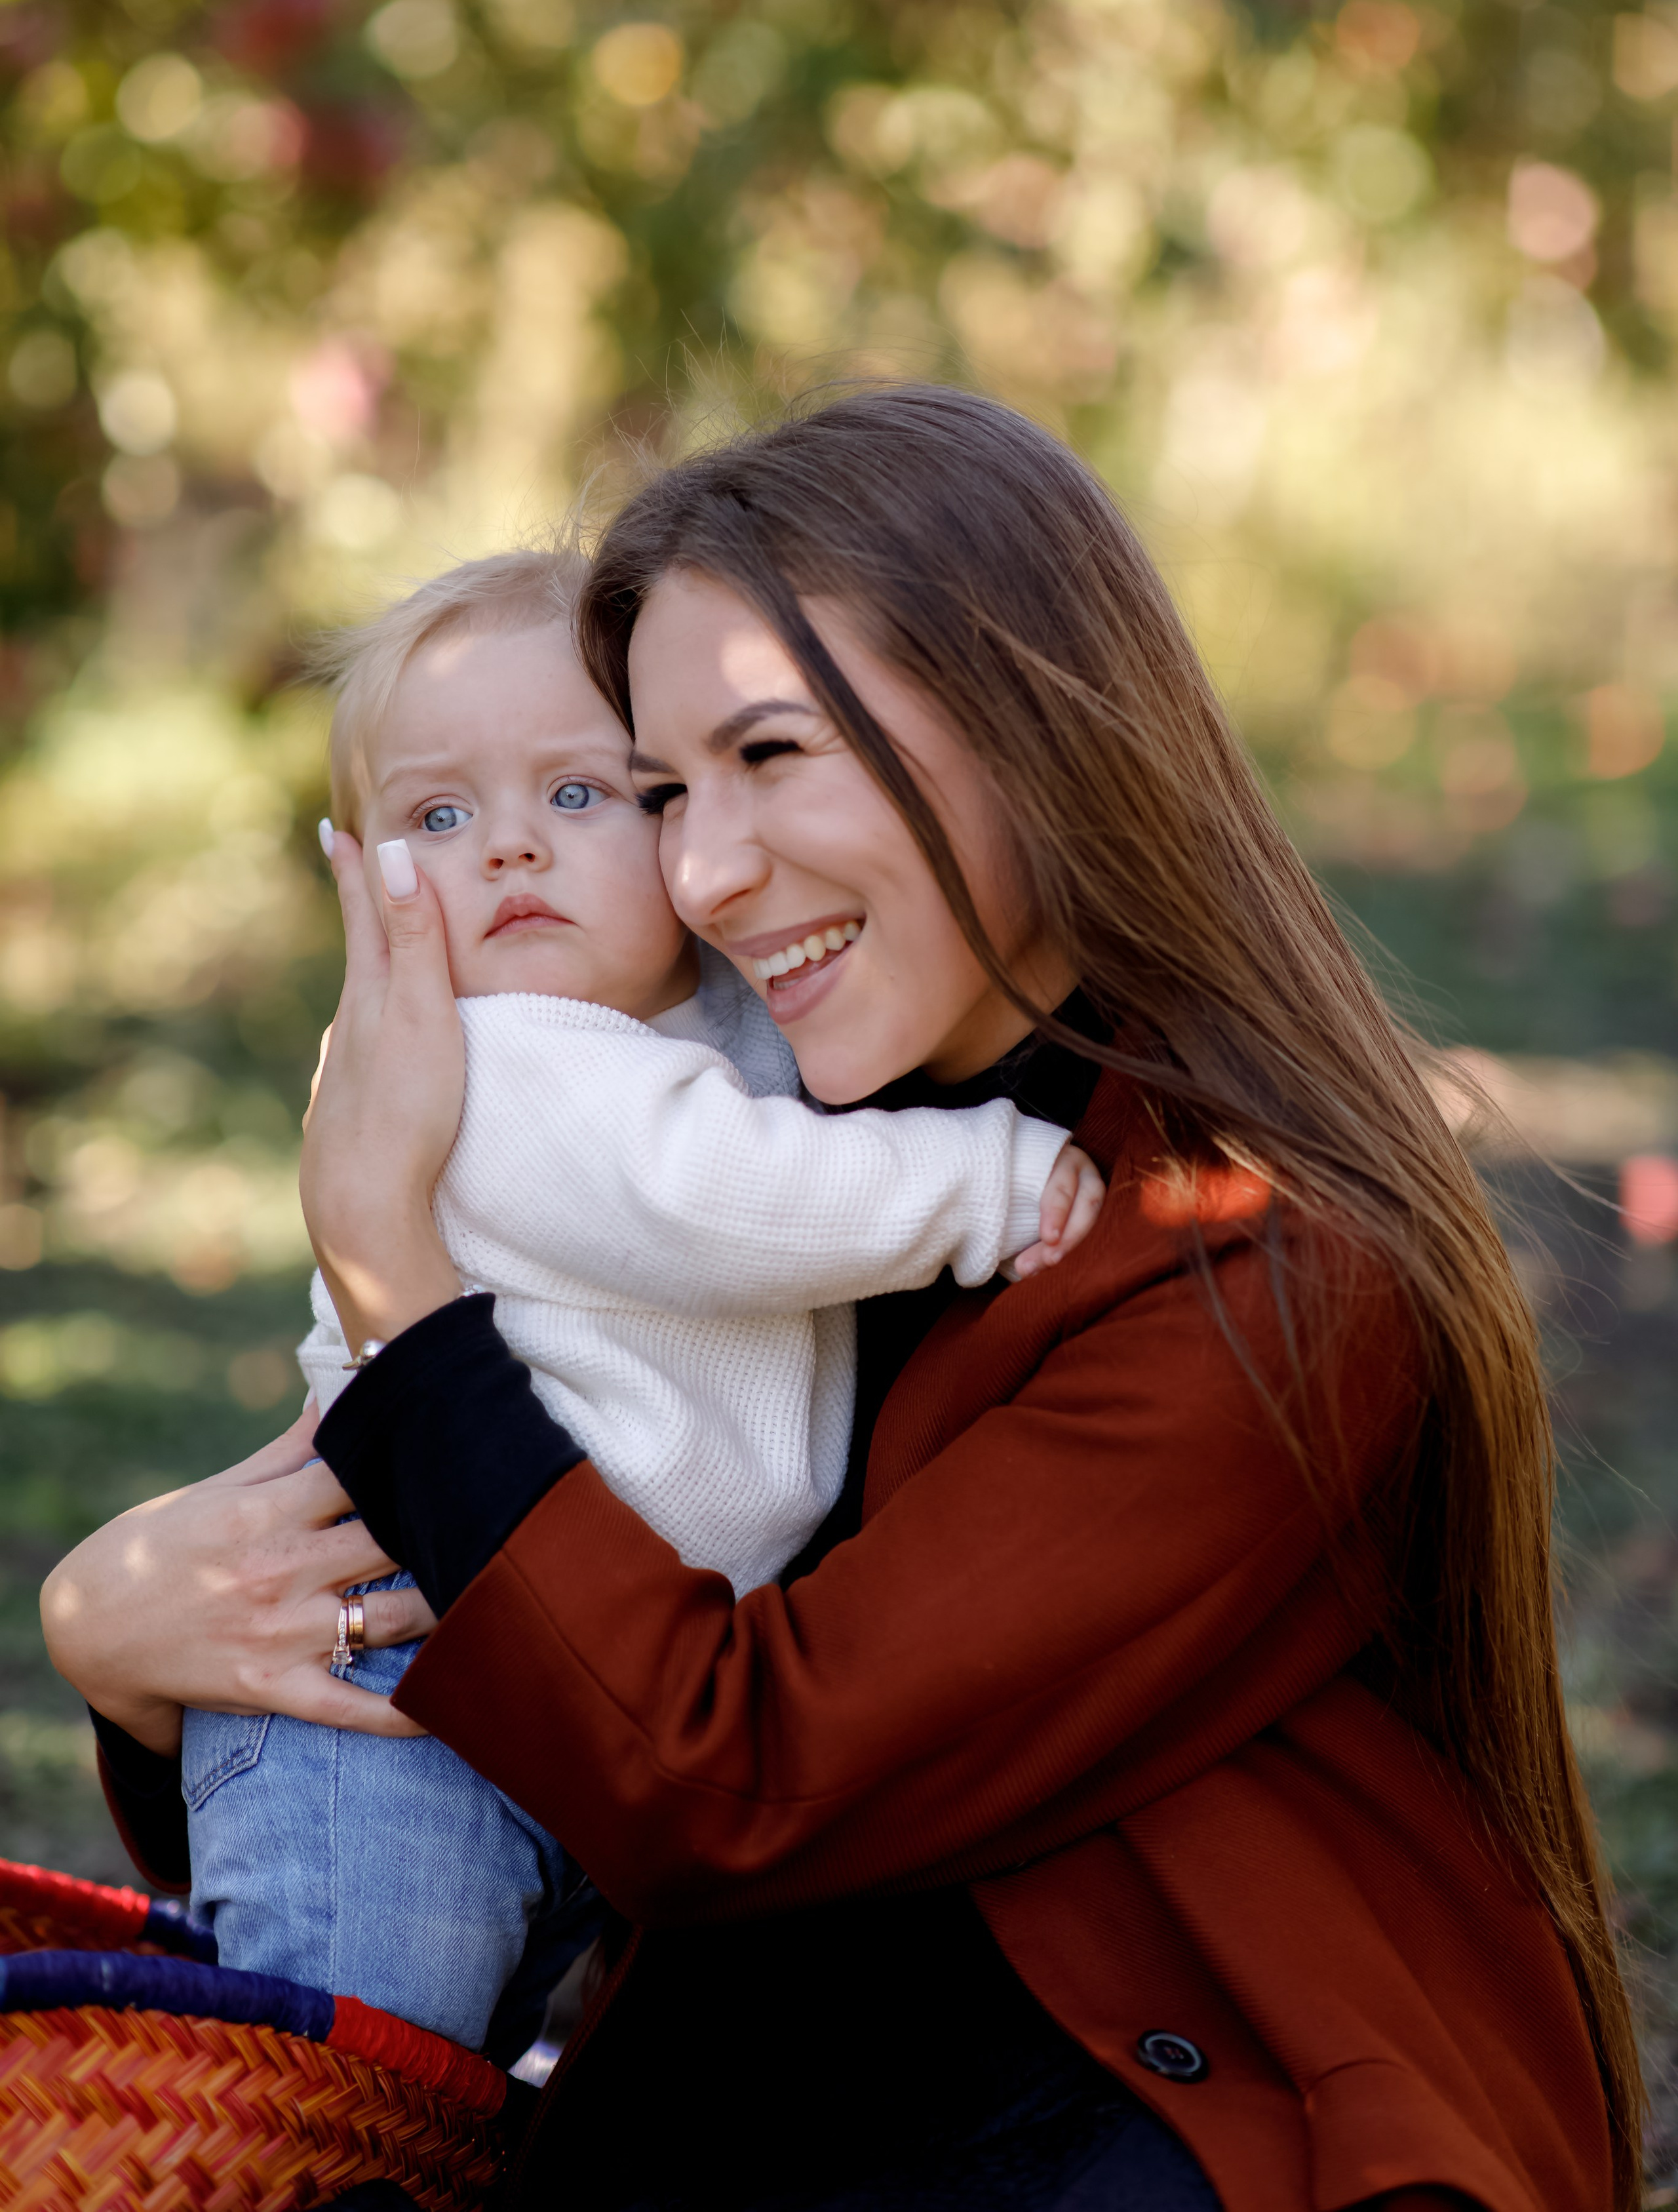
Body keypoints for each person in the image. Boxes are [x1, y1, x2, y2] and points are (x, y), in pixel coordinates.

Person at [45, 384, 1638, 2212]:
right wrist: (135, 1648)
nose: (706, 872)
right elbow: (505, 1705)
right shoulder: (773, 1149)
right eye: (659, 789)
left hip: (1146, 2139)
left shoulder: (1255, 1250)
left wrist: (396, 1274)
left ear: (1034, 729)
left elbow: (730, 1782)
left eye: (773, 755)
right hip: (788, 2110)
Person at [183, 545, 1095, 2058]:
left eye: (581, 794)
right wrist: (993, 1184)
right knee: (345, 2080)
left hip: (565, 1674)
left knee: (482, 2096)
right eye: (440, 815)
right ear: (367, 877)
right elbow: (717, 1192)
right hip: (401, 1702)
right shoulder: (500, 1062)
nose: (511, 853)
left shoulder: (693, 1012)